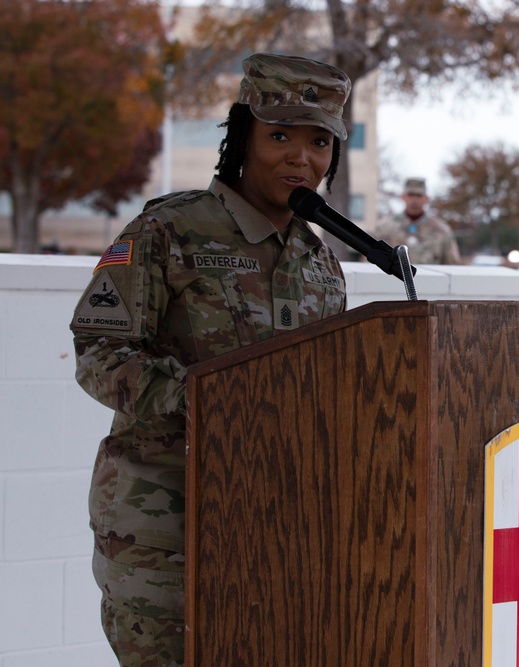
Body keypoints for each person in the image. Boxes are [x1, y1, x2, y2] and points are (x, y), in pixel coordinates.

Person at [70, 53, 353, 666]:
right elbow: (99, 353)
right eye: (279, 135)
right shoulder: (166, 230)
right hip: (163, 527)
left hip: (277, 528)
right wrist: (210, 400)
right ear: (242, 136)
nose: (299, 158)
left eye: (319, 142)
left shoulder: (322, 261)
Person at [372, 177, 461, 264]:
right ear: (403, 197)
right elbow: (371, 259)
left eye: (418, 195)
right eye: (410, 195)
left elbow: (452, 265)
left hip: (430, 277)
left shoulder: (441, 230)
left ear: (426, 198)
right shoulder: (384, 228)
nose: (414, 200)